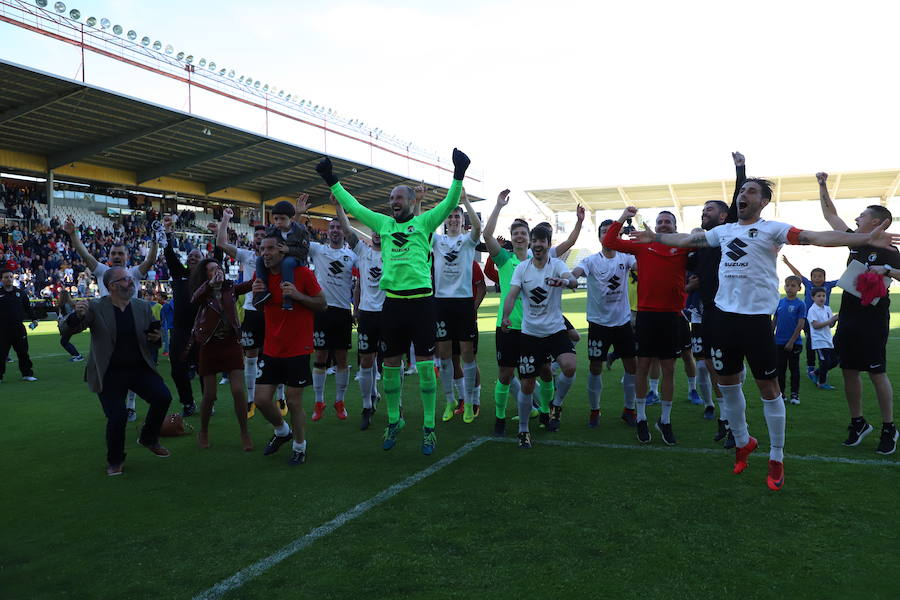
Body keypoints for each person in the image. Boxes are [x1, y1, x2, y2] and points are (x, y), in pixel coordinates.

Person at [630, 176, 900, 489]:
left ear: (762, 202)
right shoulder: (723, 231)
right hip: (722, 320)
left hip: (756, 321)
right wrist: (656, 237)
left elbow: (815, 236)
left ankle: (776, 455)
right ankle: (744, 441)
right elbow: (687, 242)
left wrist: (860, 239)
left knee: (768, 389)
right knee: (728, 385)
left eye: (751, 191)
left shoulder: (773, 230)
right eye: (742, 190)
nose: (744, 194)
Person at [315, 148, 470, 455]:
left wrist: (458, 174)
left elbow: (451, 203)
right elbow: (353, 206)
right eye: (390, 198)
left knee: (426, 369)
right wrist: (332, 180)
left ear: (411, 201)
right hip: (393, 305)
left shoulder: (425, 223)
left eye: (398, 197)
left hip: (422, 303)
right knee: (389, 367)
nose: (393, 202)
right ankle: (395, 420)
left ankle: (428, 427)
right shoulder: (384, 224)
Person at [59, 266, 172, 476]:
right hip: (109, 372)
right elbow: (66, 330)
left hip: (138, 368)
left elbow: (152, 339)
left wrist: (156, 339)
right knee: (117, 416)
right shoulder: (96, 307)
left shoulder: (142, 306)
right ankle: (115, 460)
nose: (131, 282)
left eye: (130, 278)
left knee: (163, 397)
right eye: (125, 279)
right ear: (111, 286)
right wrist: (76, 316)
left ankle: (148, 438)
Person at [817, 172, 900, 455]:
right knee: (849, 370)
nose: (856, 220)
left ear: (877, 221)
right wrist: (822, 185)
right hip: (849, 315)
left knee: (877, 372)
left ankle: (889, 427)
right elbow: (832, 217)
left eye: (862, 216)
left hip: (874, 317)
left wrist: (887, 270)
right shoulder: (857, 241)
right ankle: (858, 422)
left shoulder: (890, 249)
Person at [602, 208, 690, 446]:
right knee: (642, 366)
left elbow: (707, 241)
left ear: (674, 226)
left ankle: (665, 420)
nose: (663, 225)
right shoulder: (642, 245)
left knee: (669, 369)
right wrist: (622, 216)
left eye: (667, 222)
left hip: (672, 316)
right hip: (647, 316)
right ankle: (640, 417)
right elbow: (609, 240)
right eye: (660, 221)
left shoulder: (683, 244)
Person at [252, 234, 326, 466]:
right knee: (261, 400)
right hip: (272, 347)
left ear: (282, 251)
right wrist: (255, 293)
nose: (265, 252)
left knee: (294, 402)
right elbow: (258, 305)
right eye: (262, 248)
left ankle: (299, 446)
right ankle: (283, 432)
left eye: (270, 248)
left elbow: (322, 304)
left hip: (297, 346)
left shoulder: (302, 274)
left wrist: (298, 295)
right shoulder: (260, 276)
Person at [501, 224, 578, 447]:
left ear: (548, 244)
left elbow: (572, 280)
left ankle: (557, 404)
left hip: (555, 330)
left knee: (570, 366)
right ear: (531, 243)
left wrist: (563, 282)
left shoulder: (557, 265)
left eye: (542, 241)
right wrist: (506, 316)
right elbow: (512, 295)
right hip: (530, 334)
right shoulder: (522, 268)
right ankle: (523, 430)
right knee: (527, 384)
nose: (537, 245)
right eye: (535, 241)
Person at [571, 219, 637, 428]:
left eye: (612, 232)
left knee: (631, 366)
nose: (608, 235)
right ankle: (595, 409)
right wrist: (569, 280)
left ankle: (629, 409)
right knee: (595, 367)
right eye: (604, 232)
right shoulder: (590, 261)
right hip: (599, 324)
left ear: (617, 236)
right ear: (599, 237)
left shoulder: (626, 258)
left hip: (622, 322)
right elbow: (575, 273)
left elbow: (642, 265)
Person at [190, 258, 254, 450]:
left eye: (219, 268)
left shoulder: (230, 288)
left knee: (238, 390)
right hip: (209, 345)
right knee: (209, 395)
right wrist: (210, 285)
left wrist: (260, 264)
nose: (217, 271)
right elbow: (194, 299)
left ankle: (245, 432)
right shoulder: (203, 291)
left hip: (230, 343)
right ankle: (203, 431)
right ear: (206, 275)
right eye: (212, 270)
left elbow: (250, 284)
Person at [307, 196, 358, 423]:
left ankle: (340, 401)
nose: (336, 230)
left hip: (342, 312)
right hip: (322, 310)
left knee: (341, 358)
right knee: (320, 356)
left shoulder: (352, 255)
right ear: (327, 232)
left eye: (339, 226)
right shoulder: (318, 250)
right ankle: (319, 402)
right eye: (332, 227)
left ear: (343, 231)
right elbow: (297, 237)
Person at [482, 191, 529, 437]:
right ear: (511, 238)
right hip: (508, 326)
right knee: (505, 374)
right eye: (516, 233)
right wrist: (499, 206)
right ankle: (500, 418)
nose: (519, 236)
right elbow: (487, 235)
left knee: (531, 375)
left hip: (532, 328)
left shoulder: (537, 259)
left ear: (530, 238)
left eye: (523, 233)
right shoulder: (504, 259)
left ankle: (539, 413)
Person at [433, 188, 482, 423]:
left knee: (467, 354)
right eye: (450, 216)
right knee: (444, 356)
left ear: (463, 222)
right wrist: (424, 203)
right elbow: (421, 226)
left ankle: (471, 402)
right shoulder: (437, 241)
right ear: (445, 221)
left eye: (457, 217)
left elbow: (479, 228)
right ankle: (450, 400)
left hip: (463, 303)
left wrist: (465, 201)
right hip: (441, 303)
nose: (453, 220)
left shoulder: (468, 241)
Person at [334, 199, 383, 431]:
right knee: (366, 360)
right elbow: (346, 230)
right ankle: (367, 405)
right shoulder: (362, 251)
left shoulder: (395, 252)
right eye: (374, 231)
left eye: (380, 231)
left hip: (391, 313)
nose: (377, 235)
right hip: (368, 314)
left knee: (393, 362)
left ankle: (397, 403)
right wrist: (339, 208)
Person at [217, 209, 268, 418]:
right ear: (253, 239)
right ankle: (251, 399)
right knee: (250, 357)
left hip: (271, 311)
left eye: (263, 236)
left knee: (275, 354)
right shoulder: (246, 256)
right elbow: (221, 243)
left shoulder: (276, 257)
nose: (259, 239)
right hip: (251, 312)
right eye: (257, 236)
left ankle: (280, 395)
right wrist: (226, 219)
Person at [781, 254, 838, 381]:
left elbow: (843, 280)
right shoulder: (808, 283)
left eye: (820, 276)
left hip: (823, 317)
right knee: (811, 341)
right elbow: (797, 274)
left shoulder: (828, 285)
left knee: (823, 341)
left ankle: (822, 366)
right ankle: (811, 366)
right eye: (815, 276)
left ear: (824, 277)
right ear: (811, 277)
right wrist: (788, 263)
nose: (817, 278)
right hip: (809, 318)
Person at [252, 200, 310, 310]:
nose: (278, 222)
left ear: (292, 219)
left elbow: (304, 251)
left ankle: (287, 297)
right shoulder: (273, 230)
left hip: (296, 258)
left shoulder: (301, 231)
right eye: (276, 219)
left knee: (286, 263)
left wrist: (288, 249)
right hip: (280, 256)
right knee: (259, 260)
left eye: (282, 218)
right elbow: (266, 242)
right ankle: (262, 291)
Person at [0, 269, 38, 382]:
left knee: (23, 352)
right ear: (2, 279)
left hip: (18, 329)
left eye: (11, 277)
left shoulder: (20, 293)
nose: (9, 279)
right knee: (1, 355)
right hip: (2, 330)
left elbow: (28, 307)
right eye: (6, 277)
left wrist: (34, 319)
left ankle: (27, 374)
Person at [772, 275, 806, 404]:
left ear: (799, 288)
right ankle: (781, 394)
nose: (789, 288)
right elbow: (774, 321)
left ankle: (794, 394)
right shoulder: (779, 302)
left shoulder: (800, 304)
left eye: (793, 286)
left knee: (794, 369)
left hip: (794, 343)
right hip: (779, 342)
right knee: (780, 369)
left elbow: (800, 325)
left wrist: (791, 341)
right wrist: (770, 337)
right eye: (787, 285)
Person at [806, 288, 840, 390]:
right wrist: (831, 320)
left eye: (823, 296)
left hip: (828, 339)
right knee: (824, 362)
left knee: (834, 361)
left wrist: (836, 319)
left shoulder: (827, 309)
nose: (821, 298)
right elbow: (815, 325)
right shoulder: (812, 310)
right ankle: (821, 383)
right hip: (819, 341)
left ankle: (814, 373)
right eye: (818, 296)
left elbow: (830, 326)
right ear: (813, 298)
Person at [57, 288, 84, 361]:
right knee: (64, 341)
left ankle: (77, 355)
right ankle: (76, 355)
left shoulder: (64, 304)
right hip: (72, 324)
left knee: (64, 341)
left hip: (69, 324)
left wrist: (61, 319)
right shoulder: (70, 303)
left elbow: (68, 315)